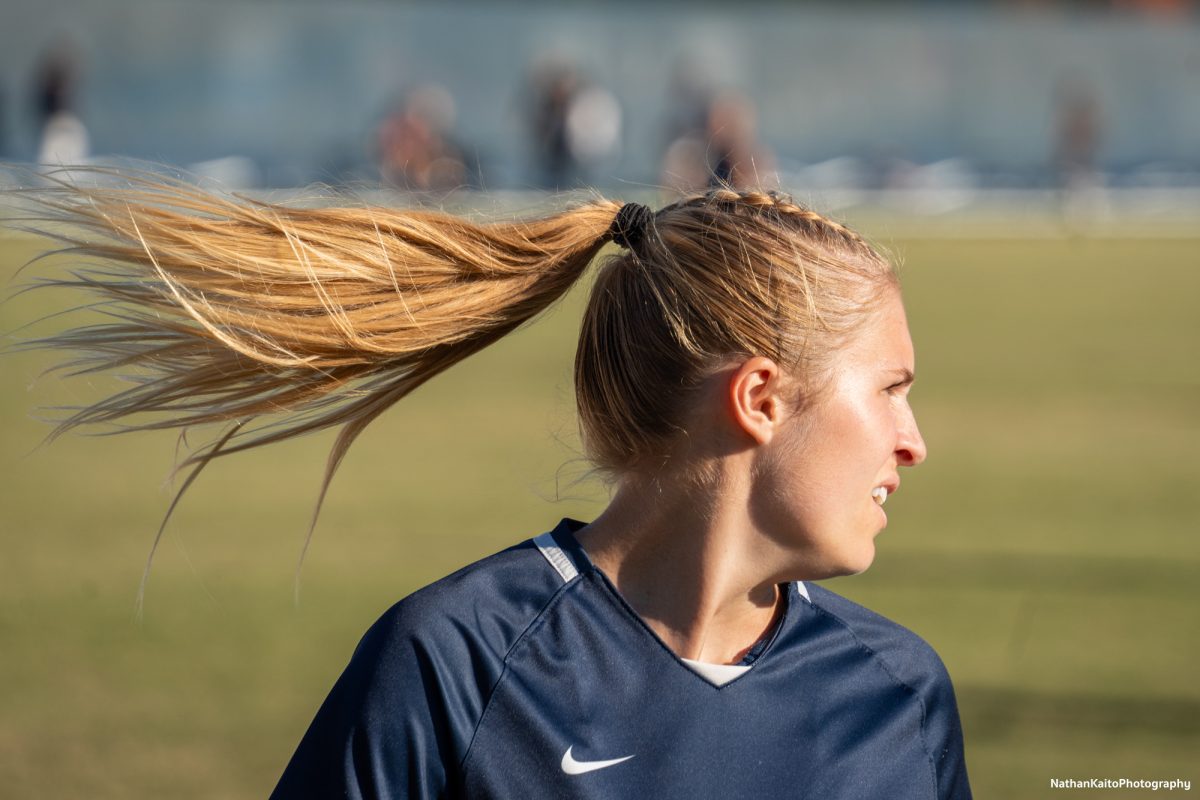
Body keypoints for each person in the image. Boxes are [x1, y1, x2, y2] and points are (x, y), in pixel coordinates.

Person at [14, 177, 971, 798]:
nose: (914, 443)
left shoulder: (900, 697)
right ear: (761, 397)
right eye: (890, 390)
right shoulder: (452, 666)